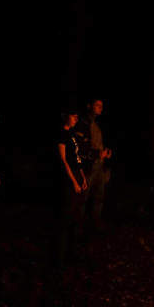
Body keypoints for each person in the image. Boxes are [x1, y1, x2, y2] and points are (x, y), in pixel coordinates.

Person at [52, 108, 88, 267]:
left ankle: (71, 254)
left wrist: (82, 176)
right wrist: (73, 181)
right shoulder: (61, 134)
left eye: (77, 116)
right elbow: (63, 159)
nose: (76, 119)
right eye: (73, 116)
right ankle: (58, 258)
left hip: (76, 177)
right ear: (65, 117)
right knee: (65, 219)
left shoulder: (72, 135)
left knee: (75, 218)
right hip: (68, 180)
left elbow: (76, 158)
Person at [75, 98, 112, 232]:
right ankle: (77, 225)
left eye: (101, 105)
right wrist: (96, 154)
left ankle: (94, 223)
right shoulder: (82, 124)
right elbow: (79, 146)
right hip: (89, 166)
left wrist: (104, 153)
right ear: (89, 106)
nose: (100, 108)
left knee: (98, 197)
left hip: (99, 166)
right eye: (97, 105)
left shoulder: (97, 125)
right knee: (83, 197)